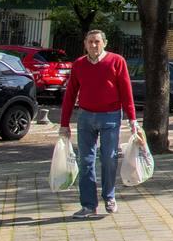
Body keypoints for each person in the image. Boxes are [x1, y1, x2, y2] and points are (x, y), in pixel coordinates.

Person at [59, 30, 138, 219]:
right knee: (85, 161)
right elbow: (70, 95)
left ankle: (109, 197)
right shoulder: (79, 65)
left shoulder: (116, 61)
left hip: (110, 116)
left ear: (104, 43)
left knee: (109, 158)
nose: (94, 45)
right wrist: (64, 124)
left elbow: (126, 91)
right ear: (85, 44)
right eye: (90, 42)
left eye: (97, 42)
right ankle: (88, 205)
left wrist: (132, 119)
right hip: (86, 116)